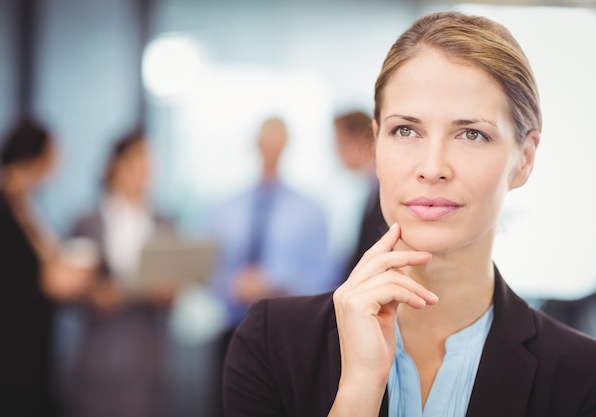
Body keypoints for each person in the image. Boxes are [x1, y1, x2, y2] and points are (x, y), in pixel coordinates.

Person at [223, 11, 596, 417]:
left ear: (524, 160)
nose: (432, 166)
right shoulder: (270, 342)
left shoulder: (581, 375)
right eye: (406, 130)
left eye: (472, 134)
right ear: (376, 145)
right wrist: (359, 388)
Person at [206, 117, 332, 416]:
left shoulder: (310, 210)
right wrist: (230, 284)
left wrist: (275, 283)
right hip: (232, 330)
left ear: (286, 146)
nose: (271, 150)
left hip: (289, 339)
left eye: (278, 143)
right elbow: (207, 270)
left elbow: (325, 275)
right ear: (256, 144)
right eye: (266, 142)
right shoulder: (224, 208)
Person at [0, 117, 94, 417]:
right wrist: (46, 287)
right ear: (30, 158)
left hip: (34, 359)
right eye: (53, 157)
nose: (58, 166)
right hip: (7, 367)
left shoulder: (27, 206)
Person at [67, 130, 175, 417]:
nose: (144, 174)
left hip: (147, 356)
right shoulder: (86, 223)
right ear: (114, 165)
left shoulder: (164, 222)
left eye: (148, 167)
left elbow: (173, 294)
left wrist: (167, 292)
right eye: (137, 164)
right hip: (100, 354)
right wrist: (93, 292)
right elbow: (68, 289)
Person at [333, 111, 388, 285]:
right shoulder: (371, 190)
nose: (335, 151)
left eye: (339, 143)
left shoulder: (384, 190)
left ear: (357, 141)